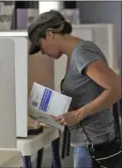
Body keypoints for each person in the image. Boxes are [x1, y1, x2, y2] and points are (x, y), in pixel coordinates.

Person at [27, 10, 122, 168]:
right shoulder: (76, 54)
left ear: (50, 34)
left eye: (40, 45)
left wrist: (78, 115)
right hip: (90, 142)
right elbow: (91, 92)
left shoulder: (81, 53)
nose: (42, 52)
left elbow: (117, 88)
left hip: (93, 145)